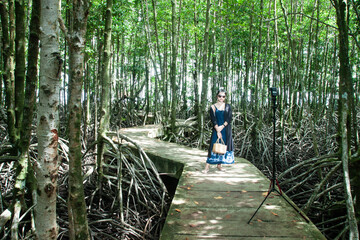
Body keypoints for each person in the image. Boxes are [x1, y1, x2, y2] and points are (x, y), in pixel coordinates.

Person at [203, 89, 234, 173]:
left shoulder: (228, 106)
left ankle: (219, 165)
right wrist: (217, 130)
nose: (221, 98)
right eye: (220, 96)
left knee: (222, 146)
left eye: (223, 96)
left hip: (225, 129)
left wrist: (222, 126)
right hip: (216, 128)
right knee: (213, 146)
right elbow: (213, 119)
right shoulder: (213, 106)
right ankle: (207, 166)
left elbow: (229, 118)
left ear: (225, 97)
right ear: (217, 96)